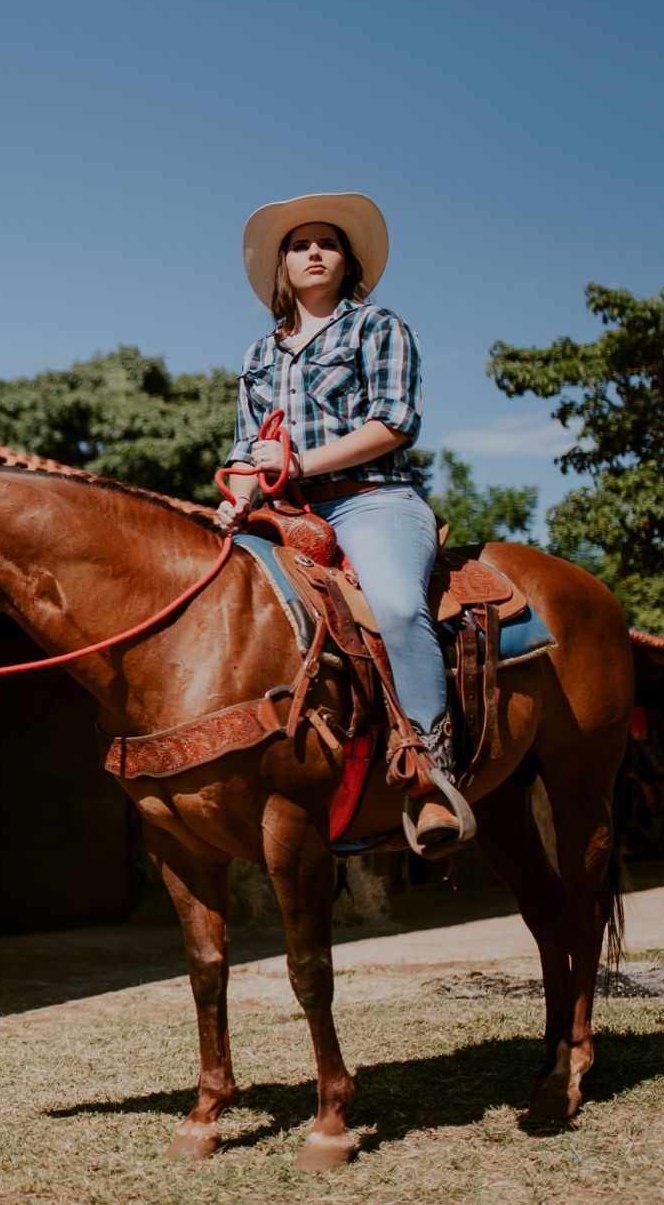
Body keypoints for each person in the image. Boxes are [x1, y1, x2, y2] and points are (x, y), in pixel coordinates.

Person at [212, 192, 468, 852]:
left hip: (372, 500)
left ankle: (429, 773)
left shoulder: (377, 328)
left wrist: (296, 461)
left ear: (346, 261)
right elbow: (246, 451)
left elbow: (393, 424)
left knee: (397, 608)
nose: (314, 253)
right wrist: (236, 497)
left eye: (326, 243)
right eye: (299, 246)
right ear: (283, 268)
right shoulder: (257, 357)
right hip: (284, 512)